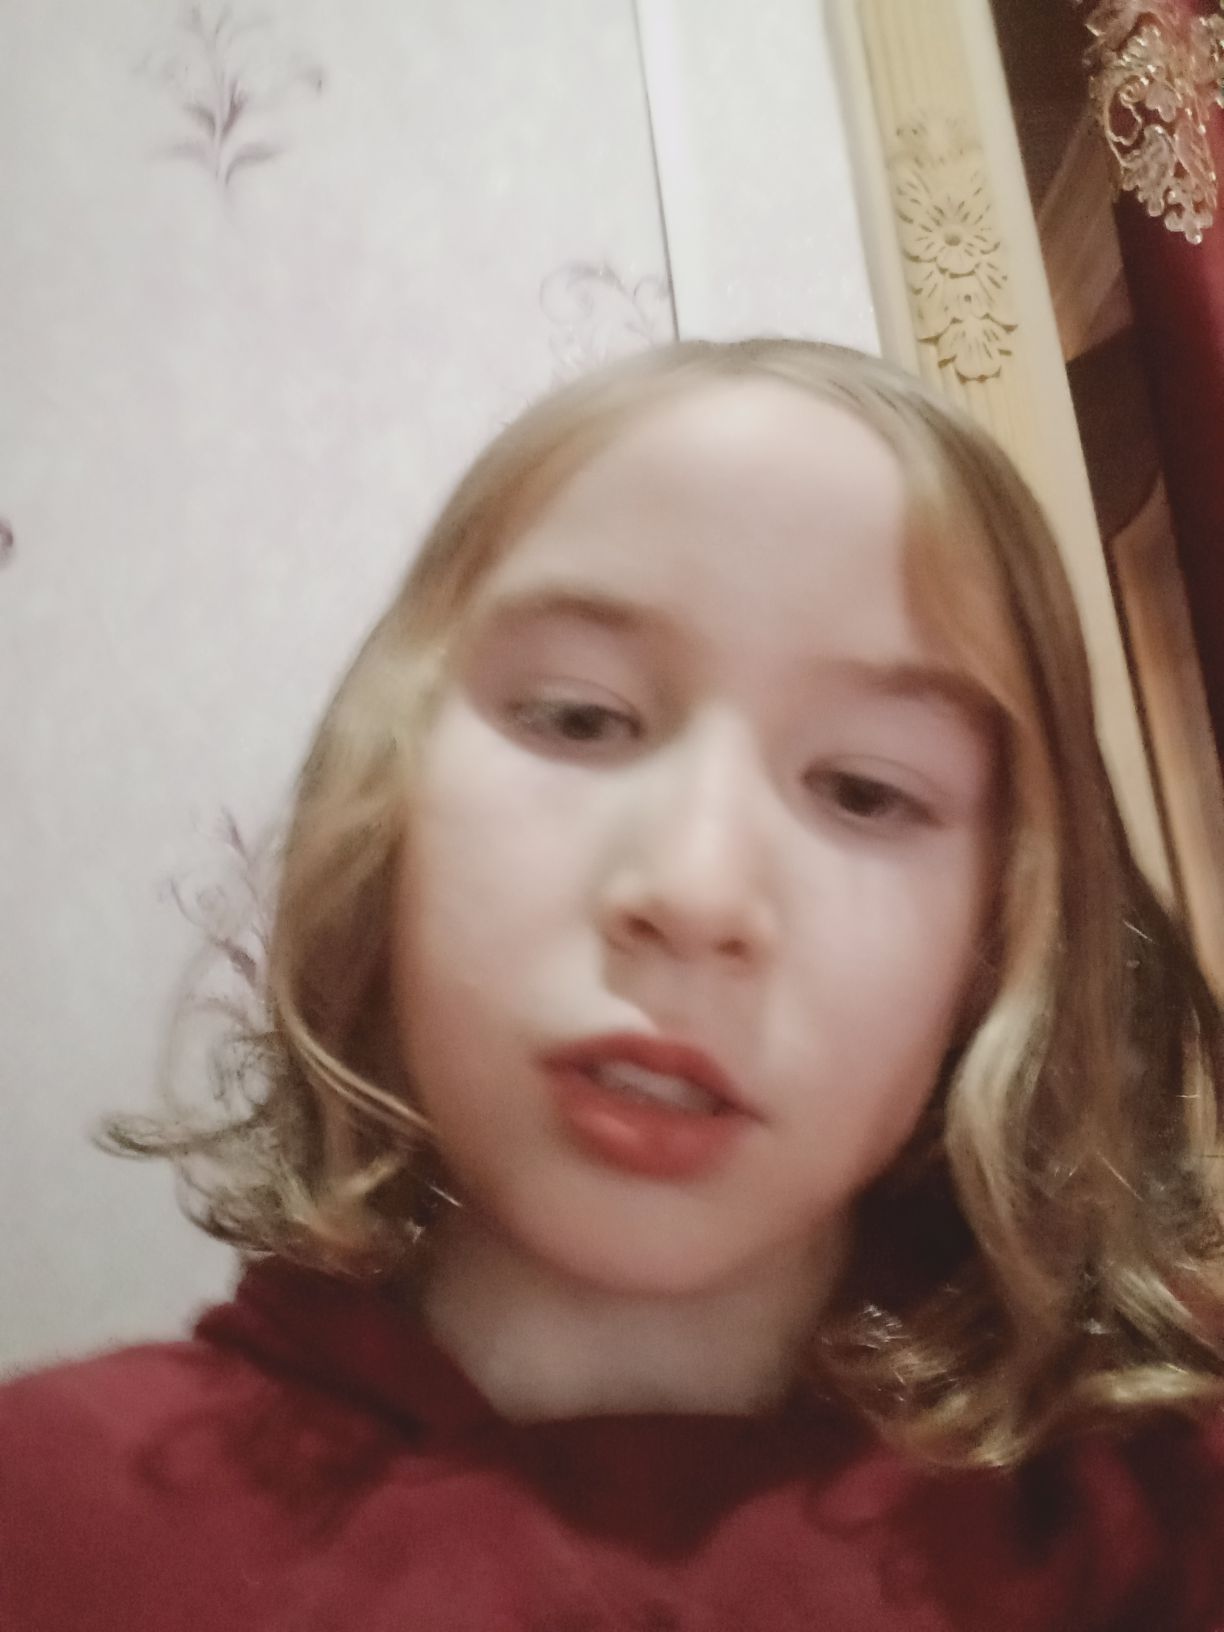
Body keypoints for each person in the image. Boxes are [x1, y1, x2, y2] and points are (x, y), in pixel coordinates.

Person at [2, 338, 1222, 1631]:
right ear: (386, 792)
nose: (694, 891)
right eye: (578, 718)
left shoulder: (1163, 1536)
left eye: (866, 791)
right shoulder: (51, 1525)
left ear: (1002, 934)